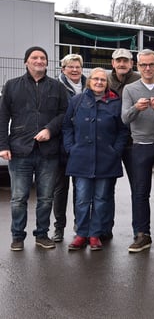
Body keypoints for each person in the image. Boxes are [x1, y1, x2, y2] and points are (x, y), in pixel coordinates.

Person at [0, 46, 68, 251]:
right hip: (20, 150)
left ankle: (42, 234)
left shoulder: (57, 87)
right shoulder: (12, 86)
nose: (39, 61)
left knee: (46, 197)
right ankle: (18, 236)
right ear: (26, 62)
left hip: (48, 151)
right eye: (34, 57)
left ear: (47, 62)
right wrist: (3, 145)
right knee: (19, 197)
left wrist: (50, 129)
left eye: (43, 58)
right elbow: (3, 117)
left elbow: (65, 113)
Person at [63, 68, 129, 251]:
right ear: (89, 81)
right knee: (82, 198)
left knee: (102, 199)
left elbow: (123, 131)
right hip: (81, 158)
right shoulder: (77, 101)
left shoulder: (116, 102)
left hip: (107, 159)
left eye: (103, 79)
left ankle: (95, 234)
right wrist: (71, 148)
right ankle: (81, 233)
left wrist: (115, 150)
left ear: (107, 83)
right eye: (95, 79)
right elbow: (67, 127)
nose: (99, 82)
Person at [121, 49, 154, 253]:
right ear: (137, 66)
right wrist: (136, 108)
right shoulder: (130, 89)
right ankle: (142, 235)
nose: (148, 68)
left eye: (151, 64)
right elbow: (125, 118)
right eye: (143, 65)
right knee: (140, 192)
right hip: (140, 146)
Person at [105, 48, 141, 240]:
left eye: (125, 61)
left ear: (131, 63)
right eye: (118, 61)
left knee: (138, 188)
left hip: (134, 142)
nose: (122, 64)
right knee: (106, 188)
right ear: (112, 63)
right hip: (110, 142)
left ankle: (139, 231)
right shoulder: (104, 81)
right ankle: (104, 229)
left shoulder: (138, 79)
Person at [52, 53, 87, 242]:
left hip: (82, 145)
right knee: (60, 189)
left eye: (77, 66)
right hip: (61, 145)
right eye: (70, 67)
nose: (74, 70)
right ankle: (59, 227)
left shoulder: (88, 85)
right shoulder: (56, 87)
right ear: (63, 69)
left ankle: (79, 226)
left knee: (80, 190)